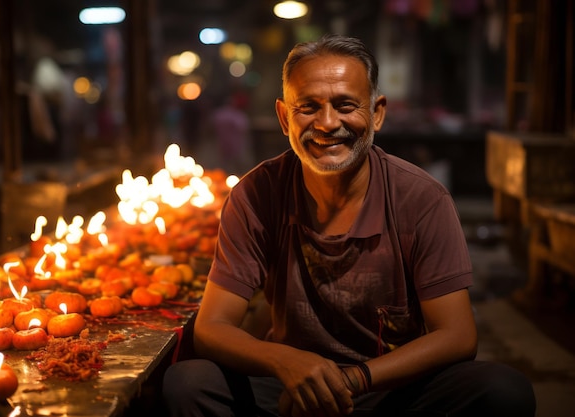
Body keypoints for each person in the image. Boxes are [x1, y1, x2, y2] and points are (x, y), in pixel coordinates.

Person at [162, 34, 535, 417]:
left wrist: (353, 379)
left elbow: (457, 335)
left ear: (376, 113)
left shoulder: (421, 199)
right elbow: (212, 327)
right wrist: (285, 362)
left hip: (386, 386)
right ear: (283, 117)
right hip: (290, 386)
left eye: (345, 105)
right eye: (308, 107)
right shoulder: (256, 195)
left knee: (503, 392)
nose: (327, 123)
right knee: (189, 383)